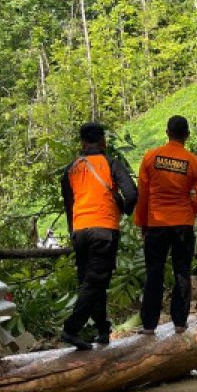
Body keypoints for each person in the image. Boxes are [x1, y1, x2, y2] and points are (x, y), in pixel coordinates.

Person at [59, 122, 138, 350]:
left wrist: (73, 230)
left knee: (92, 282)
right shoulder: (111, 163)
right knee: (95, 282)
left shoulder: (71, 169)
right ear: (103, 141)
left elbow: (69, 205)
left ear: (82, 143)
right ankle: (71, 329)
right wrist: (123, 208)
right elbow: (132, 193)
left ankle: (102, 329)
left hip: (80, 230)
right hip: (103, 229)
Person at [134, 115, 197, 335]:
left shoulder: (151, 157)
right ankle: (179, 323)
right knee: (182, 272)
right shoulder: (193, 162)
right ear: (187, 135)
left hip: (156, 223)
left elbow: (143, 195)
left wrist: (142, 222)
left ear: (167, 133)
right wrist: (189, 210)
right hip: (182, 225)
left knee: (154, 273)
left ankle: (149, 325)